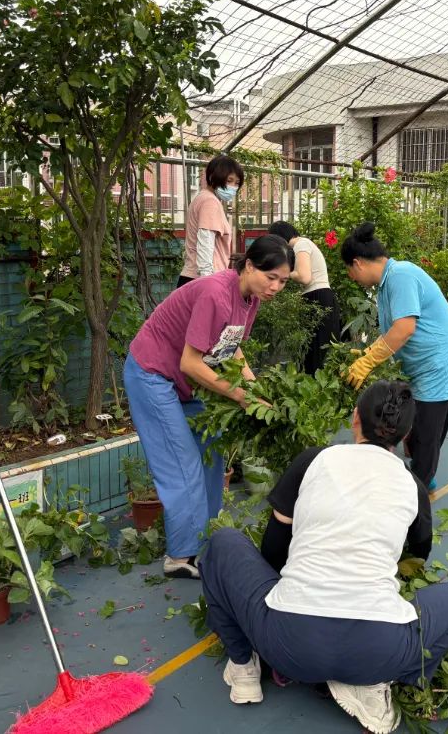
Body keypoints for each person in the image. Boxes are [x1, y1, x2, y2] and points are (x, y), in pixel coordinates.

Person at [199, 381, 448, 734]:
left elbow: (273, 547)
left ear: (354, 418)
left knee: (222, 543)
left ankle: (244, 668)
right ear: (405, 434)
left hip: (288, 644)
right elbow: (418, 556)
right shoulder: (414, 486)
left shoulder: (314, 459)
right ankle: (379, 682)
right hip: (380, 650)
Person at [125, 235, 294, 578]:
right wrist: (243, 397)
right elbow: (190, 362)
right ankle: (180, 556)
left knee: (212, 450)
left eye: (283, 281)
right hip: (154, 374)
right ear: (248, 265)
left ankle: (207, 540)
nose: (276, 286)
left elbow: (233, 349)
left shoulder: (250, 298)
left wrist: (258, 391)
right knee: (182, 461)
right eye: (271, 277)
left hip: (184, 382)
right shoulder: (216, 293)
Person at [339, 223, 448, 489]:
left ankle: (417, 496)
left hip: (438, 364)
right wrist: (366, 354)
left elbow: (404, 329)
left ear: (358, 263)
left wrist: (368, 361)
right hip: (425, 366)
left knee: (425, 437)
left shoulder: (401, 275)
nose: (352, 278)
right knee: (415, 432)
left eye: (349, 271)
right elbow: (392, 331)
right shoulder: (388, 283)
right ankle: (420, 477)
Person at [267, 220, 342, 375]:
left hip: (319, 298)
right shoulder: (302, 245)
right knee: (316, 351)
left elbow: (304, 276)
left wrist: (282, 275)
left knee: (318, 353)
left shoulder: (301, 244)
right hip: (319, 297)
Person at [178, 154, 243, 288]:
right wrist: (208, 283)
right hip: (204, 278)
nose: (233, 187)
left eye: (237, 183)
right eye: (229, 180)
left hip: (195, 276)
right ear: (213, 177)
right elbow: (205, 243)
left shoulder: (202, 197)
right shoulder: (210, 202)